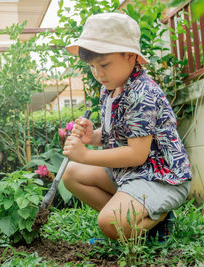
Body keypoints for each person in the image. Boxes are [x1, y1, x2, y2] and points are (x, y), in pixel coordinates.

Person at [62, 12, 192, 240]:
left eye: (104, 64)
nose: (98, 73)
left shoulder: (142, 93)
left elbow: (136, 153)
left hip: (160, 178)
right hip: (131, 175)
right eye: (92, 66)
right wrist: (93, 137)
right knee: (71, 173)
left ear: (131, 56)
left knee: (109, 222)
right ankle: (132, 221)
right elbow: (120, 134)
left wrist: (85, 155)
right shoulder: (110, 88)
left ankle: (156, 222)